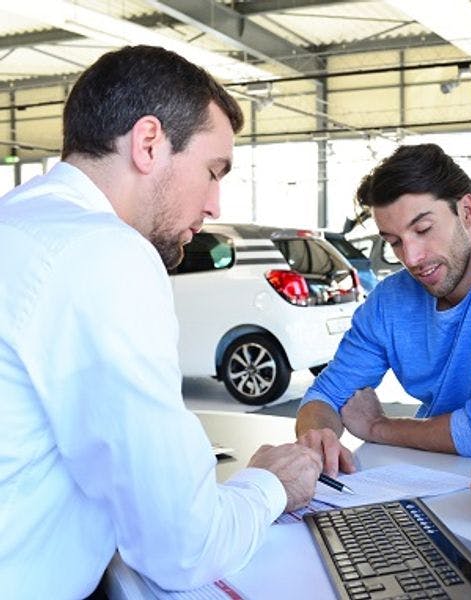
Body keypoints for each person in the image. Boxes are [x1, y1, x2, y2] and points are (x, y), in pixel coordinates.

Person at [0, 46, 322, 598]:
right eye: (212, 170)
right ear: (149, 144)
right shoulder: (103, 252)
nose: (216, 203)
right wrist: (271, 483)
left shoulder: (19, 224)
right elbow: (183, 545)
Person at [296, 143, 471, 474]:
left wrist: (377, 427)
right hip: (426, 472)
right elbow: (326, 394)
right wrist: (318, 439)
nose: (410, 258)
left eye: (423, 230)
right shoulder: (389, 300)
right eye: (394, 242)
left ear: (467, 211)